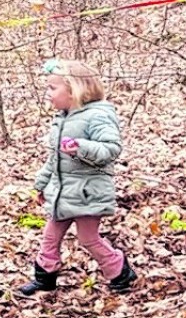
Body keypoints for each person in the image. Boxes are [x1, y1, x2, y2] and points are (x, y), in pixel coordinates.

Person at [18, 59, 138, 297]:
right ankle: (44, 278)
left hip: (87, 193)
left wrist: (81, 147)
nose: (47, 94)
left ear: (74, 90)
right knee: (50, 237)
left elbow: (110, 150)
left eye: (53, 88)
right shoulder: (62, 118)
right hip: (63, 193)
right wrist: (41, 184)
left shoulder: (98, 116)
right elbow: (54, 160)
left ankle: (120, 272)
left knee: (88, 238)